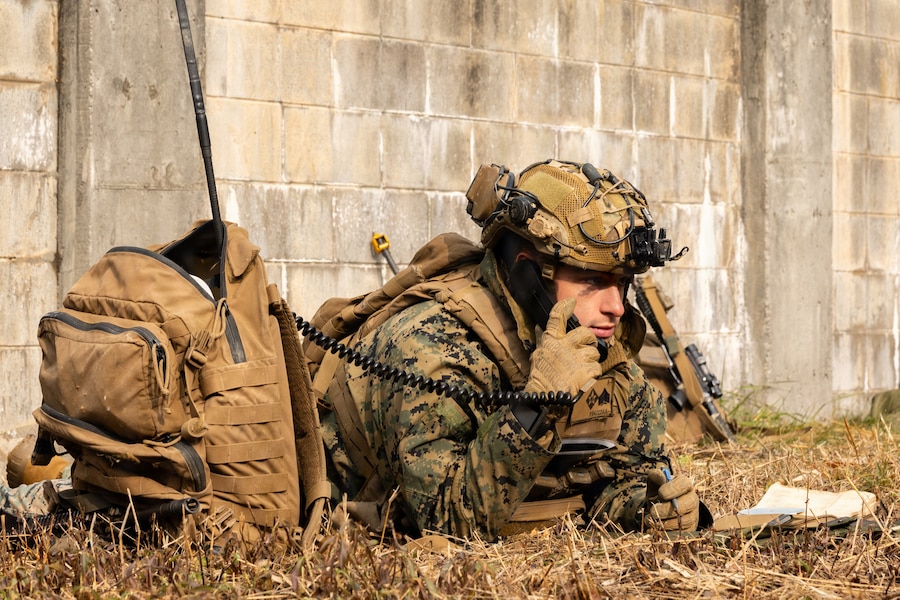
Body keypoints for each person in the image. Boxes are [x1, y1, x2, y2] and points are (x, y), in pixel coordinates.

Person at [313, 159, 708, 540]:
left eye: (622, 283)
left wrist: (648, 508)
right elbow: (445, 520)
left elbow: (614, 478)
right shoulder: (432, 346)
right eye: (591, 281)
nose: (616, 307)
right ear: (527, 273)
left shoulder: (604, 350)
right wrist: (536, 407)